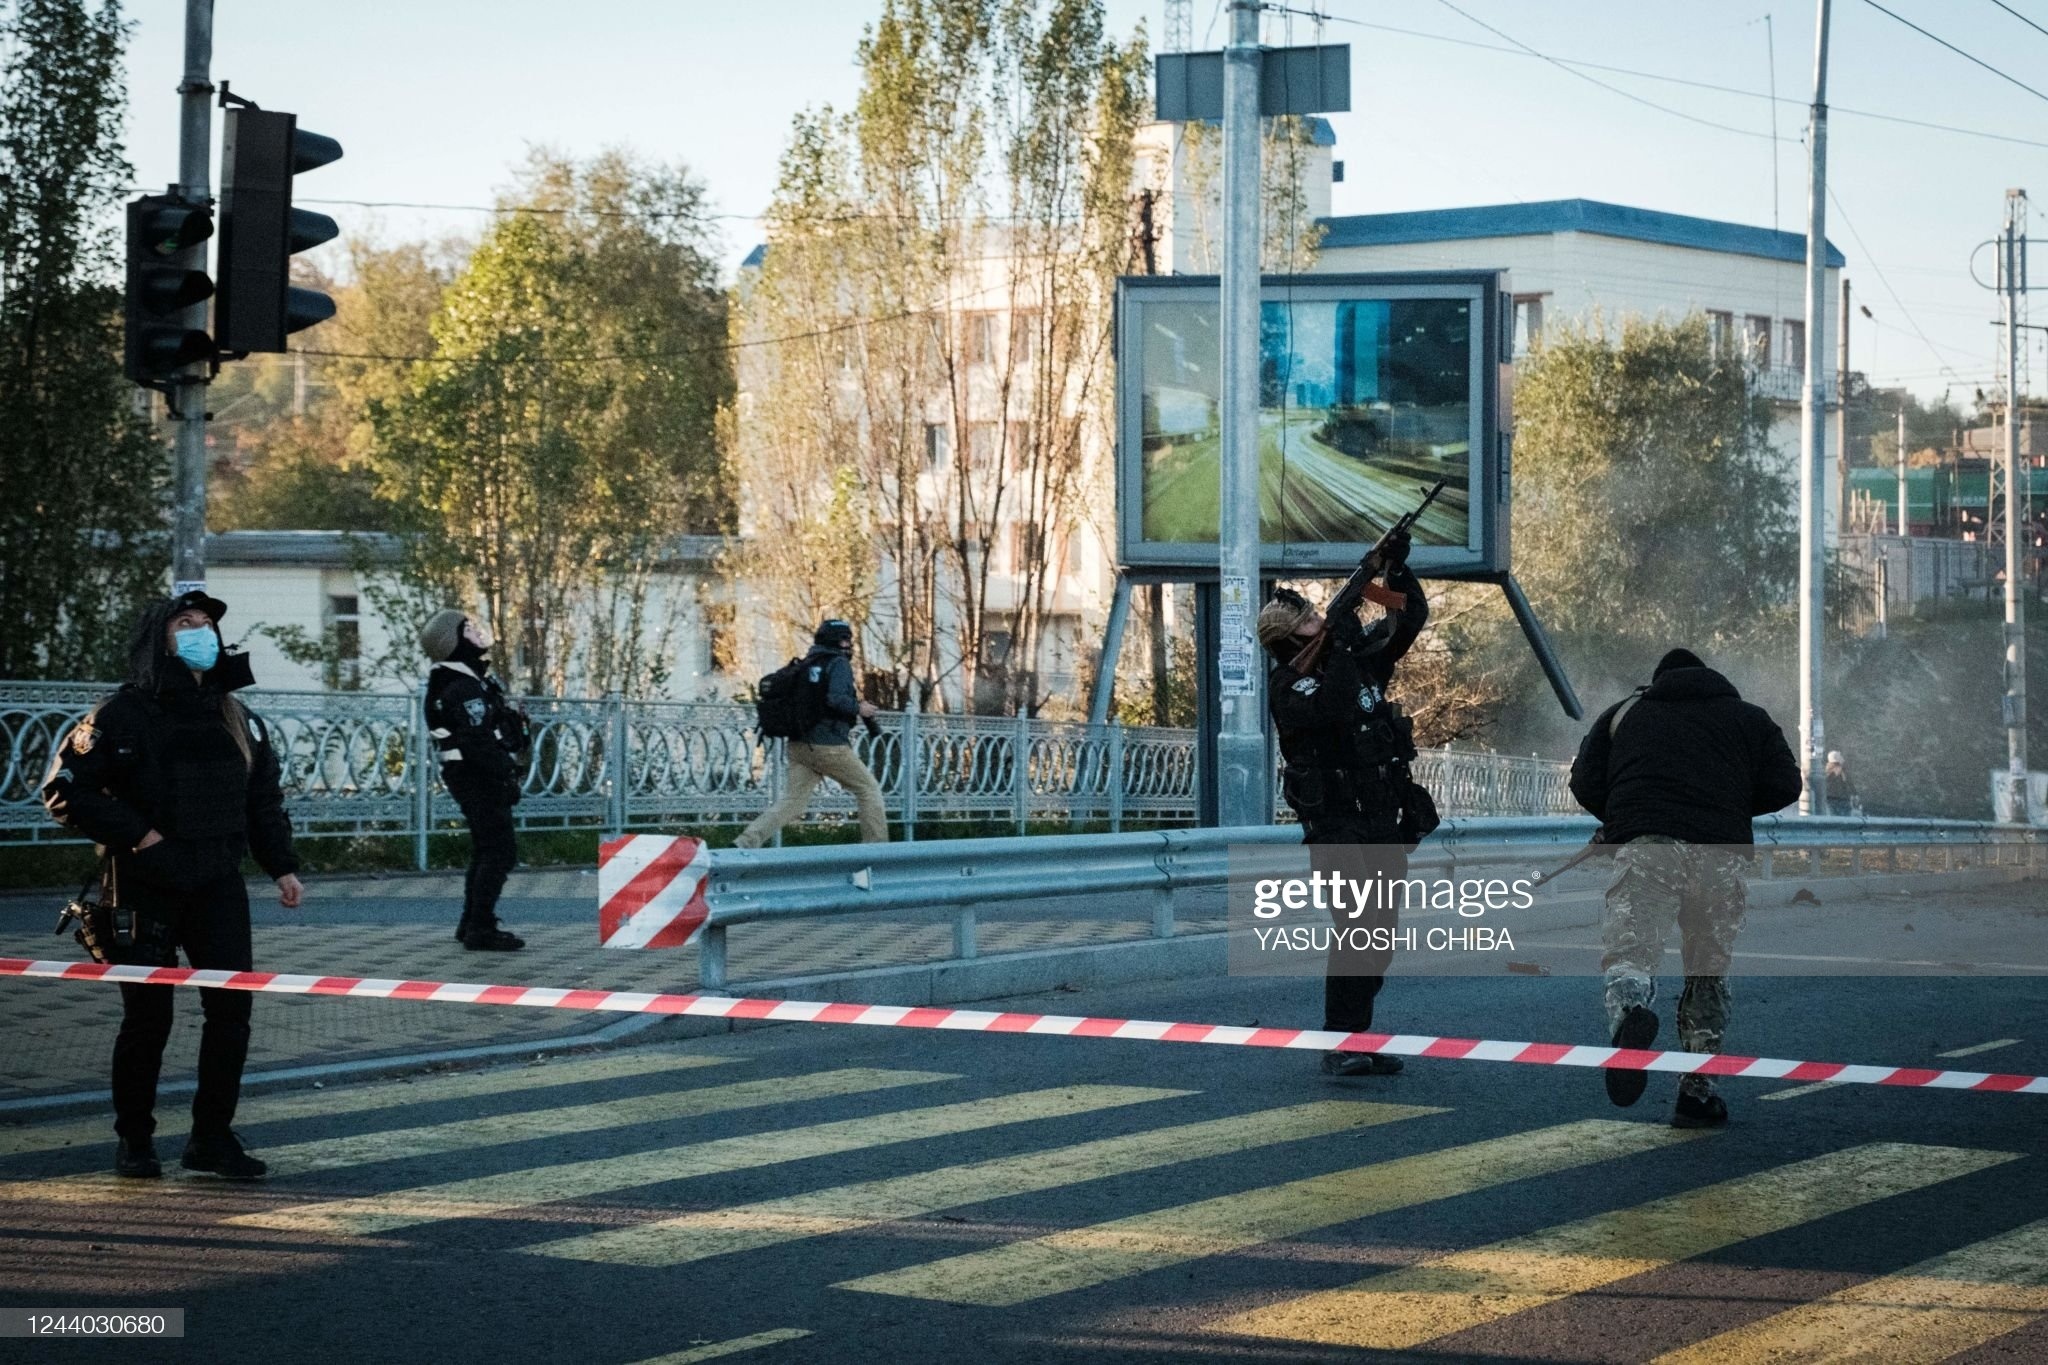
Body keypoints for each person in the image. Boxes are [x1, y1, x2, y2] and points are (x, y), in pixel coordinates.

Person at [41, 590, 305, 1181]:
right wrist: (140, 835)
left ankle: (211, 1139)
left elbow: (262, 801)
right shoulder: (119, 715)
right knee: (147, 1019)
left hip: (217, 885)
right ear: (159, 638)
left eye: (207, 624)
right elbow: (64, 791)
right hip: (142, 885)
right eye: (186, 623)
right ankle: (135, 1141)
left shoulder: (238, 717)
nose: (200, 632)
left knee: (232, 1013)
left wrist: (282, 867)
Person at [1569, 647, 1802, 1128]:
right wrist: (1729, 803)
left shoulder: (1624, 715)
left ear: (1658, 681)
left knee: (1630, 953)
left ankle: (1631, 1013)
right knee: (1707, 971)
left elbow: (1584, 781)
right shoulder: (1749, 719)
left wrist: (1625, 817)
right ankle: (1697, 1092)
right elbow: (1786, 785)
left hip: (1649, 847)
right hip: (1721, 854)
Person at [1258, 530, 1432, 1078]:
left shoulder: (1355, 662)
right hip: (1335, 825)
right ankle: (1341, 1041)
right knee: (1357, 926)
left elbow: (1409, 617)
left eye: (1317, 614)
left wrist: (1390, 574)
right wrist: (1343, 639)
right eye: (1309, 620)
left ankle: (1358, 1034)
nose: (1317, 619)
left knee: (1379, 934)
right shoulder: (1290, 685)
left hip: (1380, 819)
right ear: (1289, 638)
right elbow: (1332, 706)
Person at [419, 609, 529, 951]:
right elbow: (477, 739)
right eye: (468, 628)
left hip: (472, 773)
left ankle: (471, 923)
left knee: (488, 849)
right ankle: (480, 928)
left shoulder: (468, 680)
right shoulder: (461, 686)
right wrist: (506, 774)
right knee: (499, 851)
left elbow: (499, 731)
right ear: (451, 640)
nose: (477, 631)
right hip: (476, 775)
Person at [735, 618, 886, 849]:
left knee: (792, 802)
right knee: (868, 789)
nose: (849, 644)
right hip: (829, 746)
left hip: (799, 745)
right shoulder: (837, 664)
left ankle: (744, 844)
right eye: (846, 639)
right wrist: (860, 708)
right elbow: (835, 699)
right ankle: (878, 852)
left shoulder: (808, 663)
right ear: (837, 641)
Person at [1823, 750, 1859, 815]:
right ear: (1837, 759)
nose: (1842, 758)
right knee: (1846, 819)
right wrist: (1855, 794)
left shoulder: (1826, 771)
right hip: (1843, 799)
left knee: (1834, 818)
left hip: (1830, 799)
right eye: (1840, 756)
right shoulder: (1841, 770)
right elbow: (1848, 782)